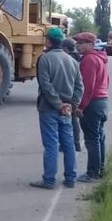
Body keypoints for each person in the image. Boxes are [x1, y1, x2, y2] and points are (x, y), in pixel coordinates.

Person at [30, 27, 83, 190]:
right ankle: (70, 178)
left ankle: (49, 180)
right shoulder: (73, 61)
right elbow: (79, 86)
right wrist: (71, 105)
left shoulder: (44, 59)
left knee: (51, 144)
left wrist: (58, 105)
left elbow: (45, 86)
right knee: (68, 143)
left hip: (49, 108)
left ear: (48, 41)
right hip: (67, 109)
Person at [72, 32, 110, 183]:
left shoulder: (88, 60)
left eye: (81, 43)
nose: (77, 45)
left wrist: (81, 106)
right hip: (102, 101)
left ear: (90, 44)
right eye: (77, 42)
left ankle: (92, 173)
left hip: (92, 103)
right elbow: (106, 81)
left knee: (92, 139)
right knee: (99, 137)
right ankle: (100, 169)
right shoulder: (100, 59)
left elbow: (87, 87)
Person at [61, 37, 83, 152]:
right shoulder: (77, 59)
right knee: (73, 120)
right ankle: (76, 143)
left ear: (65, 48)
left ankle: (69, 144)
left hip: (69, 93)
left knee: (68, 120)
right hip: (76, 93)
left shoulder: (68, 60)